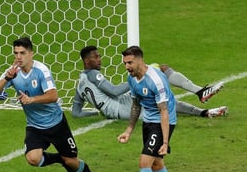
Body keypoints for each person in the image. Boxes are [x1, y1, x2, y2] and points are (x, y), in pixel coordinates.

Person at [0, 37, 104, 172]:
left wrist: (32, 100)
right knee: (33, 159)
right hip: (35, 126)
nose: (18, 57)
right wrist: (7, 78)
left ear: (31, 54)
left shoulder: (41, 70)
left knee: (72, 160)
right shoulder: (12, 72)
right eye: (15, 53)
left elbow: (53, 96)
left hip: (56, 124)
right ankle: (58, 159)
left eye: (22, 53)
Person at [117, 46, 184, 172]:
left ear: (140, 60)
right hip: (148, 122)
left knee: (144, 163)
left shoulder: (156, 80)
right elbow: (136, 105)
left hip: (164, 123)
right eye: (125, 63)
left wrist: (164, 142)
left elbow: (164, 111)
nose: (127, 66)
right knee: (156, 164)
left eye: (130, 62)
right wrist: (129, 130)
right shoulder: (132, 79)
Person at [72, 46, 227, 119]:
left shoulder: (79, 84)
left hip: (118, 108)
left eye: (99, 56)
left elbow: (76, 113)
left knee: (164, 96)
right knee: (162, 73)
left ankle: (204, 111)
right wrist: (136, 77)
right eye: (96, 57)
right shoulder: (93, 75)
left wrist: (98, 112)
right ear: (86, 60)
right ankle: (201, 94)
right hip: (123, 108)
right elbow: (114, 91)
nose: (100, 60)